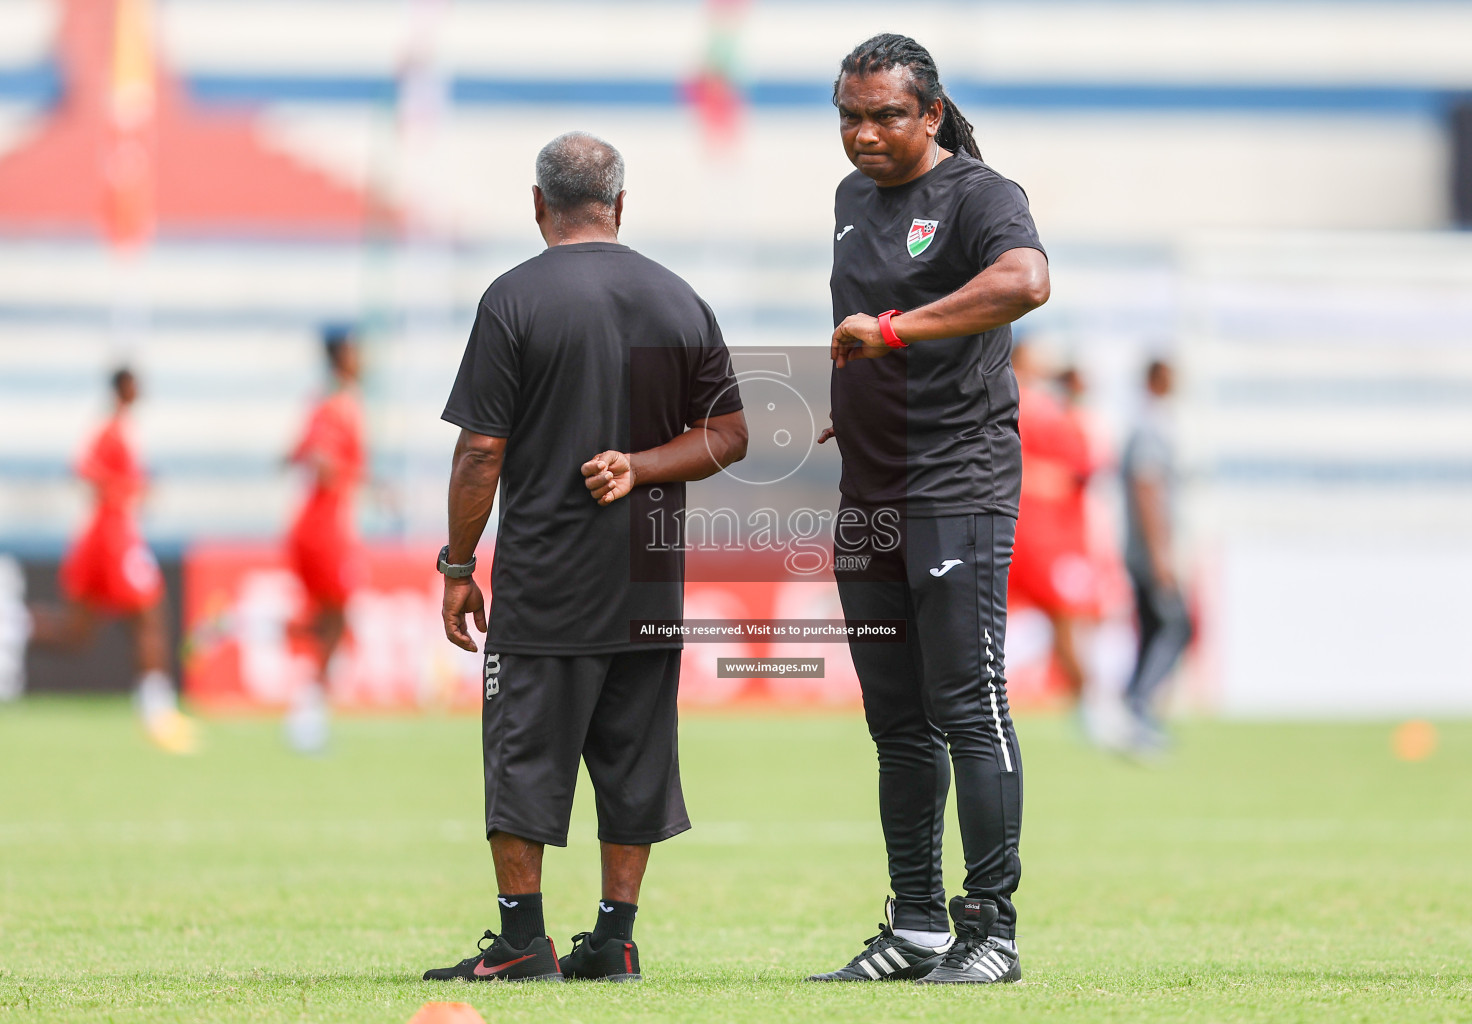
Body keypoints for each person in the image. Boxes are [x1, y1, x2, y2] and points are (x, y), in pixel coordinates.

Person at [424, 132, 747, 984]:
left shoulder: (515, 299)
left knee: (523, 753)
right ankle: (615, 937)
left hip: (549, 576)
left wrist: (459, 568)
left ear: (538, 205)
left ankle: (522, 940)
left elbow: (480, 452)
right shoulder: (681, 298)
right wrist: (642, 466)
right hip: (648, 576)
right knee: (634, 756)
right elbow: (731, 436)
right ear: (621, 205)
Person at [811, 34, 1049, 984]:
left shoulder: (982, 195)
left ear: (932, 114)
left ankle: (990, 931)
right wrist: (850, 409)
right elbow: (866, 334)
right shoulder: (847, 201)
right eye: (849, 117)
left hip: (958, 484)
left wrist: (897, 332)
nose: (864, 134)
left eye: (886, 115)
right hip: (870, 488)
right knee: (895, 721)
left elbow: (1027, 282)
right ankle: (914, 925)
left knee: (968, 705)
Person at [6, 367, 198, 753]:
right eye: (133, 383)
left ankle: (13, 624)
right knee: (148, 612)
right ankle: (156, 712)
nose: (140, 389)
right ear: (122, 388)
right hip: (111, 535)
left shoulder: (122, 428)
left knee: (77, 635)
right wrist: (128, 488)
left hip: (105, 535)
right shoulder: (111, 428)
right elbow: (82, 470)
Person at [282, 326, 366, 754]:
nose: (363, 358)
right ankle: (308, 708)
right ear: (342, 355)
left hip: (318, 522)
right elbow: (318, 457)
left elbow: (291, 455)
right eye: (357, 351)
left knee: (331, 618)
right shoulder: (338, 405)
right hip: (325, 526)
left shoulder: (326, 403)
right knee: (337, 618)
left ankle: (310, 706)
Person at [1009, 341, 1096, 705]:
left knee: (1065, 624)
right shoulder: (1038, 410)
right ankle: (1091, 706)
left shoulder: (1045, 410)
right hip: (1038, 538)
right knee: (1065, 622)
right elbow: (1082, 468)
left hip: (1037, 536)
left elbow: (1082, 469)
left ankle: (1089, 704)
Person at [1121, 358, 1189, 750]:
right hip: (1150, 552)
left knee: (1151, 630)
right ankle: (1139, 707)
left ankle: (1134, 712)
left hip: (1148, 549)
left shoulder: (1151, 422)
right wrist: (1161, 555)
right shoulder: (1150, 425)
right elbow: (1147, 489)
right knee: (1175, 627)